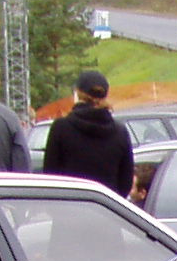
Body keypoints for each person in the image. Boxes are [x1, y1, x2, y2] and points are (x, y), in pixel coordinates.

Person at [41, 68, 133, 197]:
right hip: (107, 210)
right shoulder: (120, 132)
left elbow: (50, 176)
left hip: (69, 207)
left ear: (77, 93)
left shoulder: (61, 128)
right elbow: (126, 183)